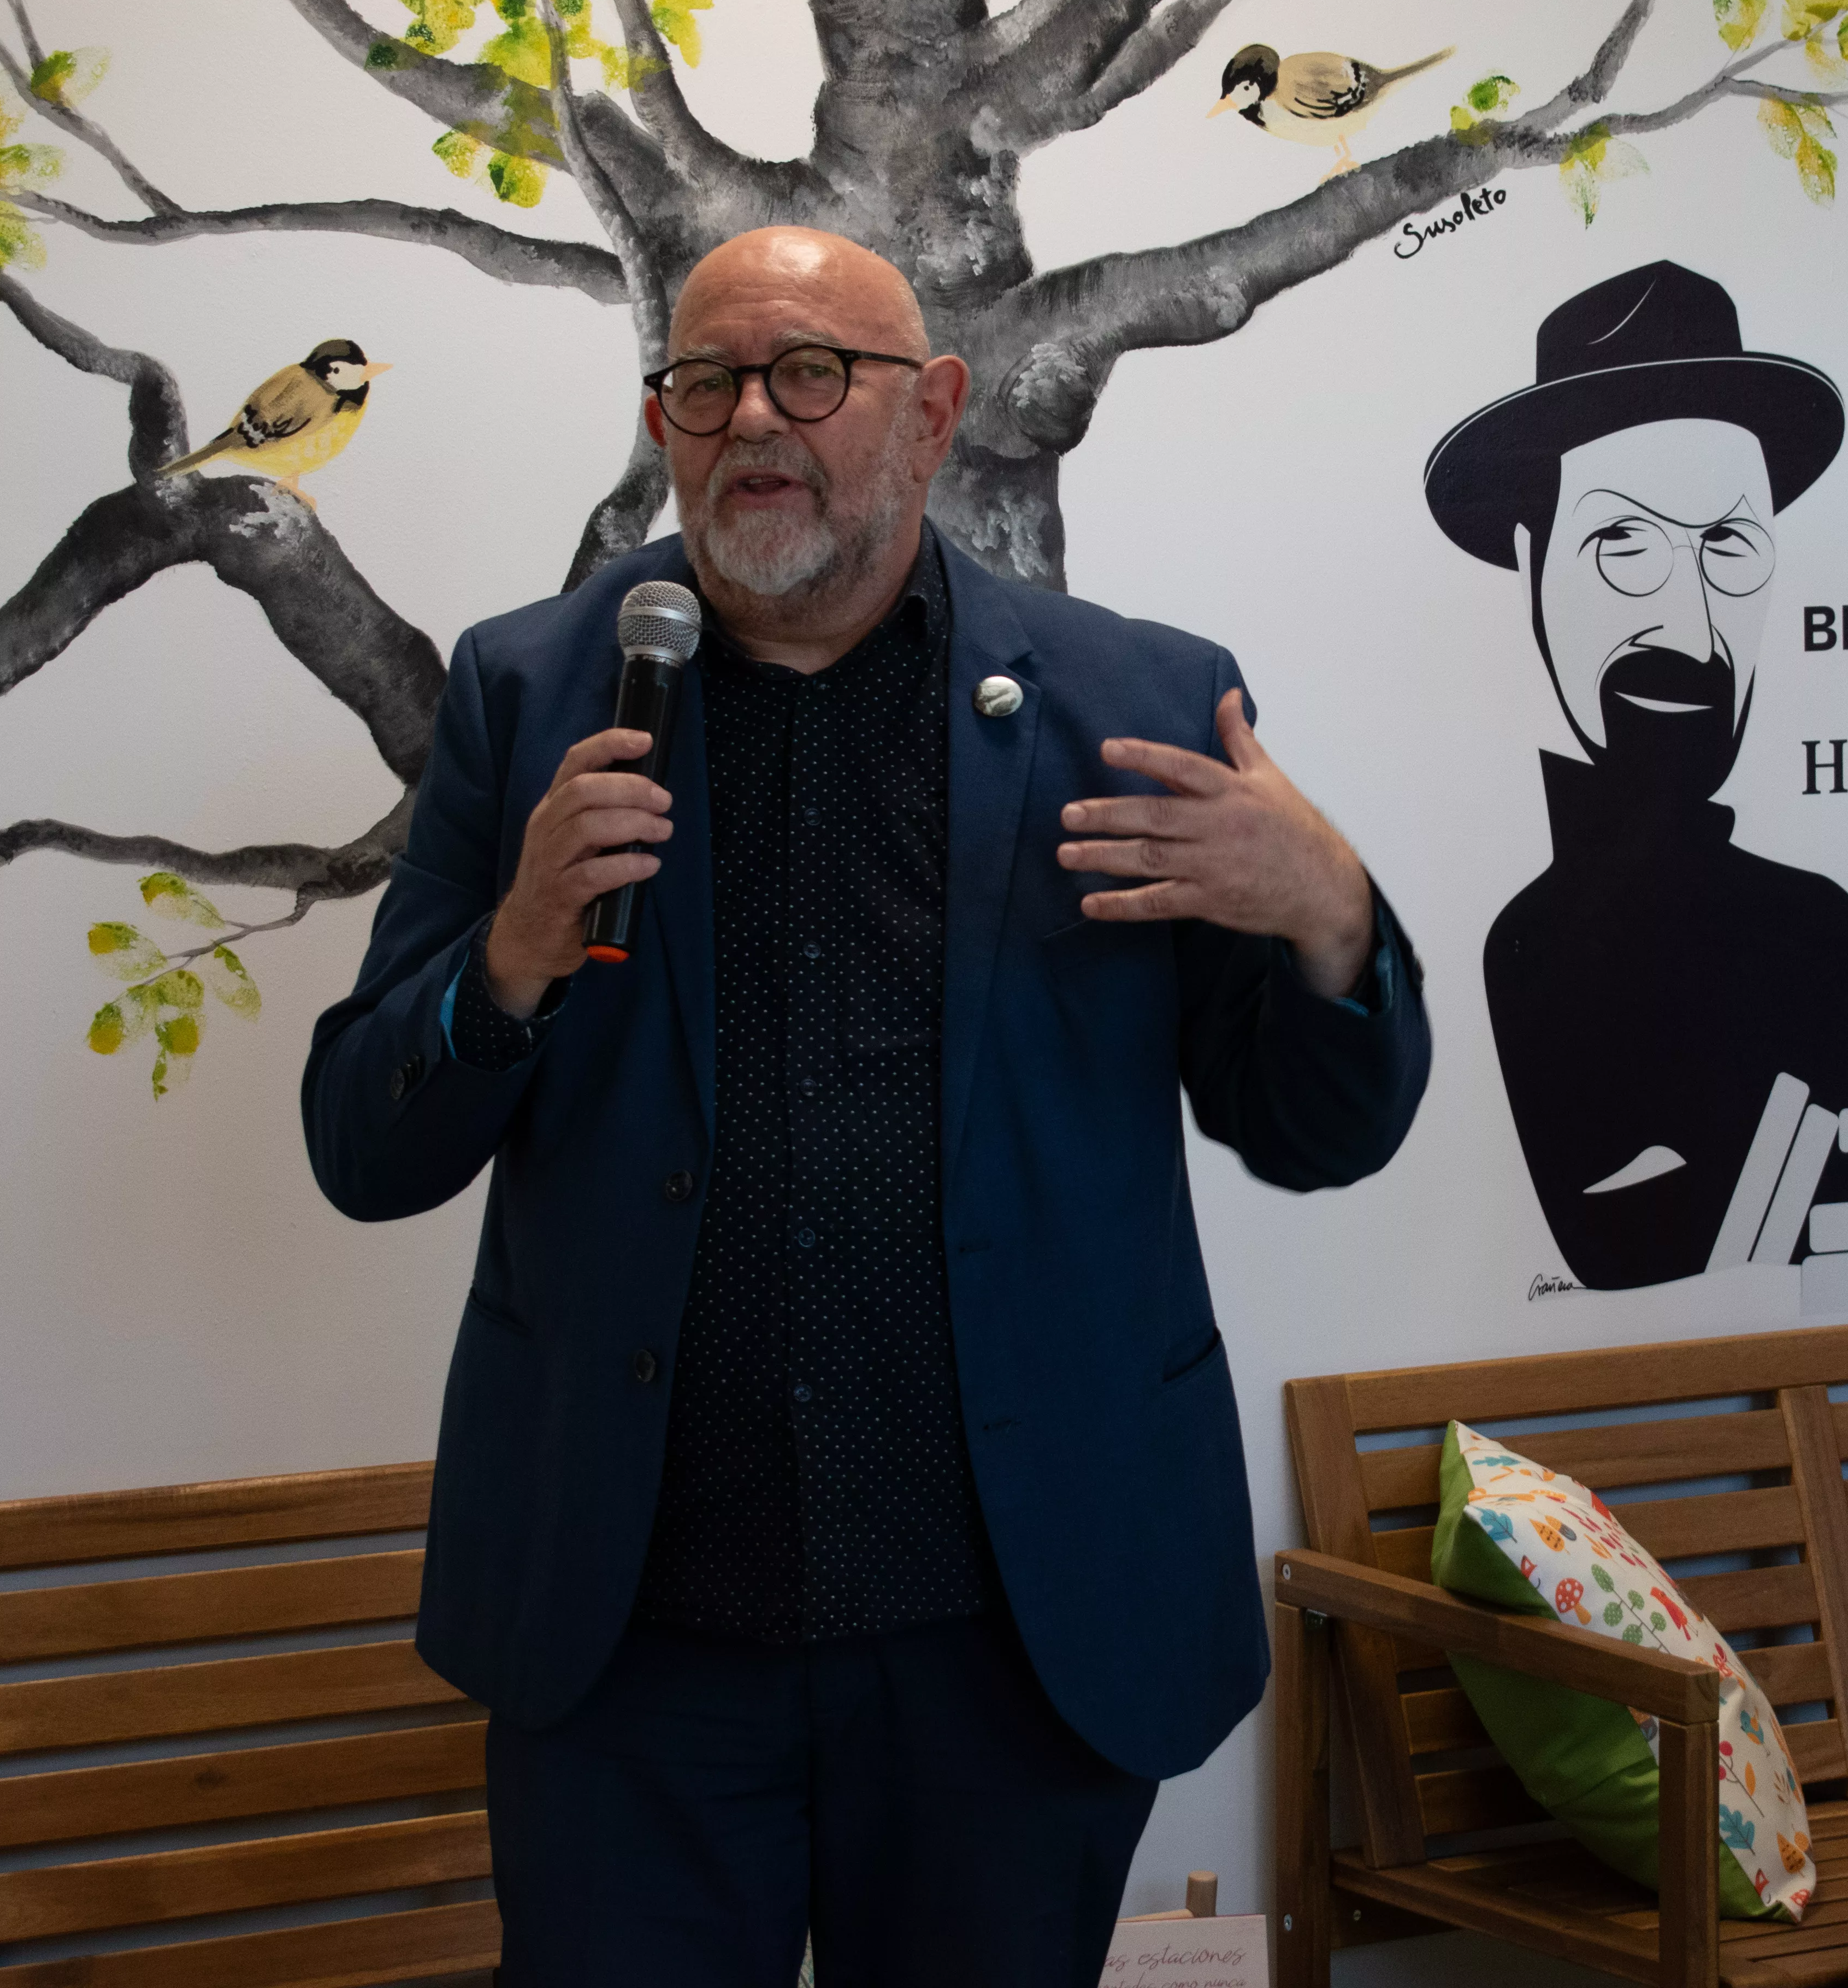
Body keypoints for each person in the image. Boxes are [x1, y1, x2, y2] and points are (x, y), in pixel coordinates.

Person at [298, 228, 1431, 1986]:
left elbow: (1315, 1133)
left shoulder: (1131, 707)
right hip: (634, 1646)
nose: (754, 417)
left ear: (936, 414)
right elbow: (363, 1149)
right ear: (664, 422)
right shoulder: (529, 699)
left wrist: (1331, 920)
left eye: (811, 373)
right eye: (705, 382)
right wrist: (508, 961)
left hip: (1014, 1637)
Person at [1422, 262, 1848, 1292]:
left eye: (1728, 544)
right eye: (1624, 542)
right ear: (1529, 559)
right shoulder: (1526, 945)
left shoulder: (1833, 938)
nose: (1689, 624)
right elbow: (1621, 1250)